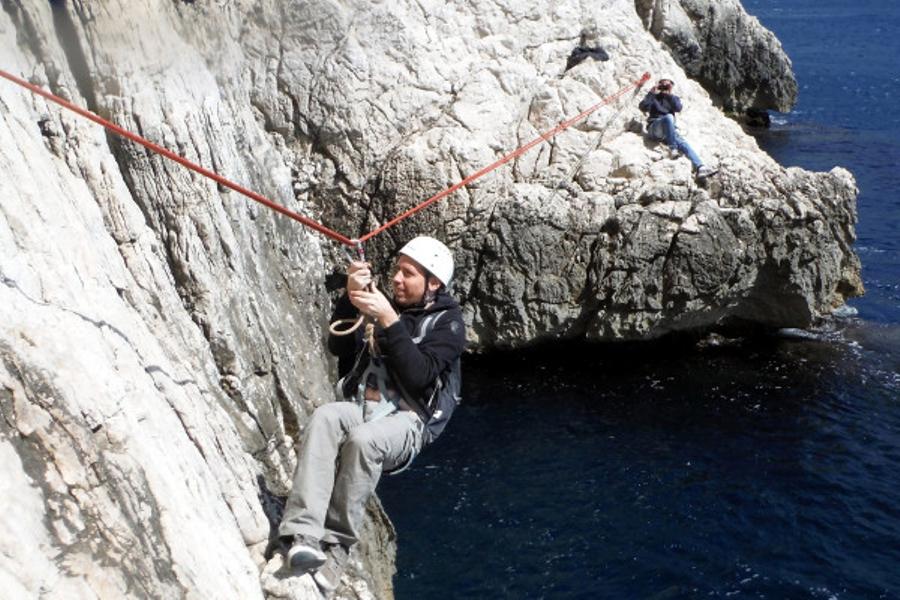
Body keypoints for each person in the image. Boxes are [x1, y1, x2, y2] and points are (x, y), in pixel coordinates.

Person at [278, 236, 466, 593]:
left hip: (409, 421)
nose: (396, 278)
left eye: (408, 274)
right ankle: (302, 534)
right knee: (325, 418)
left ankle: (337, 547)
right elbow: (337, 345)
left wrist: (389, 320)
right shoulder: (387, 306)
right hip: (367, 406)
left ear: (434, 283)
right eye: (397, 270)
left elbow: (419, 376)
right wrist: (352, 300)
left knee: (364, 442)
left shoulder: (449, 325)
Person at [639, 78, 718, 179]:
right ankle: (673, 148)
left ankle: (700, 167)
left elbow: (678, 108)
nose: (664, 87)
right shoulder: (654, 97)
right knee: (669, 117)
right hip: (654, 128)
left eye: (667, 85)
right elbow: (642, 107)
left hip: (668, 131)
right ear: (658, 84)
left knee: (683, 143)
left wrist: (669, 95)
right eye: (662, 84)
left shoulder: (673, 98)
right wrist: (651, 93)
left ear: (671, 87)